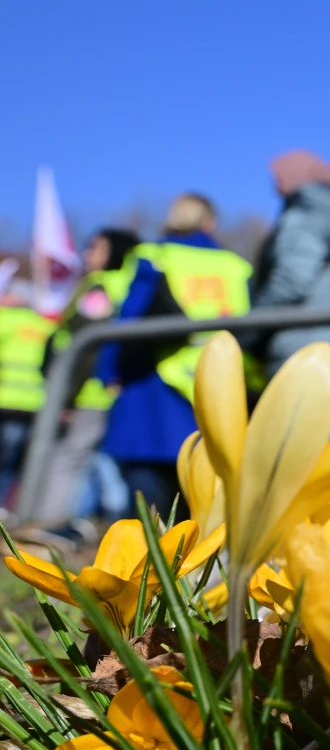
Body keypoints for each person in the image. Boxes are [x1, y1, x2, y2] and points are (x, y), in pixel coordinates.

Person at [98, 194, 252, 518]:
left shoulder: (154, 256)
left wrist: (109, 371)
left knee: (146, 492)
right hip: (216, 385)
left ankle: (141, 563)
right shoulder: (235, 266)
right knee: (201, 492)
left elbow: (129, 320)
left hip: (156, 380)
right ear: (210, 222)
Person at [254, 151, 330, 430]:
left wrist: (248, 330)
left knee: (298, 452)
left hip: (305, 346)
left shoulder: (308, 214)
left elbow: (291, 279)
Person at [34, 228, 140, 530]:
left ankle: (45, 525)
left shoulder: (99, 288)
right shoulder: (127, 285)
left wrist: (66, 395)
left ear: (114, 253)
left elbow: (85, 347)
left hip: (88, 392)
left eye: (95, 248)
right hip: (108, 390)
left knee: (68, 457)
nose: (87, 254)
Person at [0, 286, 56, 506]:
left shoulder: (4, 319)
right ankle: (7, 507)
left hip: (5, 400)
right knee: (18, 464)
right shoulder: (44, 325)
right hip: (34, 403)